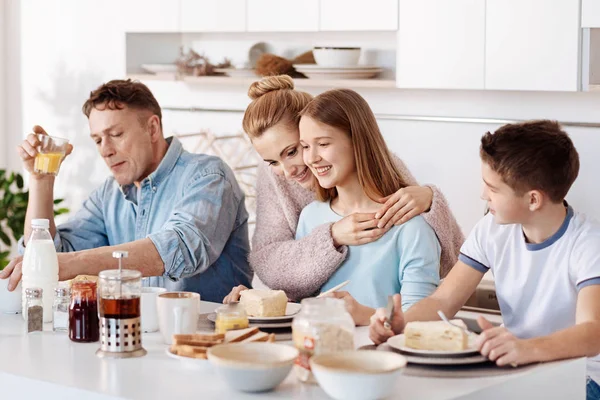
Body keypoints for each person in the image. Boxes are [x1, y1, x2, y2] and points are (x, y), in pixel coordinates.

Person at [368, 120, 600, 399]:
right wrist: (402, 323)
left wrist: (528, 348)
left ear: (533, 200)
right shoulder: (492, 228)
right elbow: (443, 302)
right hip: (518, 366)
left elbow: (592, 333)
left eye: (493, 188)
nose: (482, 194)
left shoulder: (588, 244)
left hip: (582, 377)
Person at [0, 79, 252, 302]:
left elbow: (179, 249)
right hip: (136, 338)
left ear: (152, 129)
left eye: (116, 134)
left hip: (213, 340)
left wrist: (70, 264)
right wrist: (41, 180)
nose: (105, 150)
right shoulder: (108, 194)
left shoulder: (208, 176)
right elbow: (49, 255)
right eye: (98, 139)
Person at [223, 75, 463, 303]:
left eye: (293, 150)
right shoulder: (307, 213)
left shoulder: (406, 219)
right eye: (273, 162)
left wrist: (429, 199)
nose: (288, 172)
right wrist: (258, 300)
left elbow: (443, 260)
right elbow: (283, 275)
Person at [296, 88, 441, 325]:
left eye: (322, 144)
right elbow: (299, 299)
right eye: (304, 146)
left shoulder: (410, 226)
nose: (311, 158)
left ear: (358, 142)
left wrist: (361, 315)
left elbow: (418, 323)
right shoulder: (310, 217)